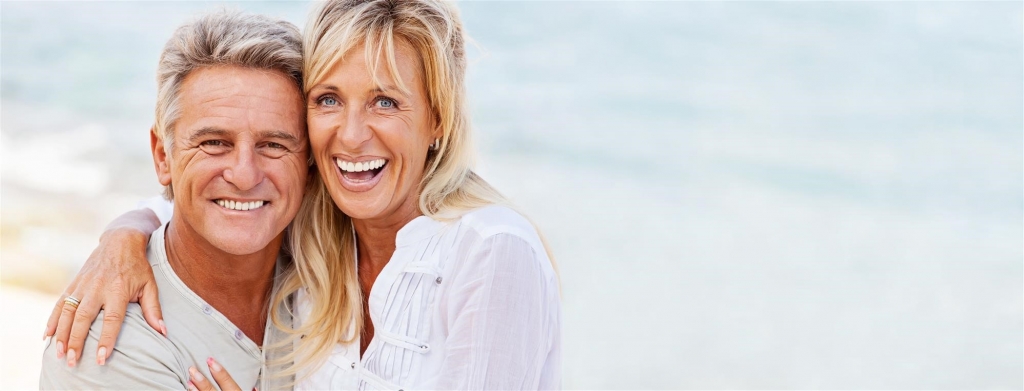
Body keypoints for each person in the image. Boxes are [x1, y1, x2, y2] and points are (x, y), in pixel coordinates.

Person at [45, 0, 562, 389]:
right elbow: (210, 200)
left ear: (438, 121)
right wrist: (122, 237)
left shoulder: (490, 253)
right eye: (329, 99)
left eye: (385, 101)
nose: (353, 134)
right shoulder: (320, 235)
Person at [39, 9, 308, 391]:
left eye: (274, 144)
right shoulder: (107, 347)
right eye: (214, 143)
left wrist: (128, 227)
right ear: (163, 156)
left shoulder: (330, 275)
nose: (245, 175)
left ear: (309, 162)